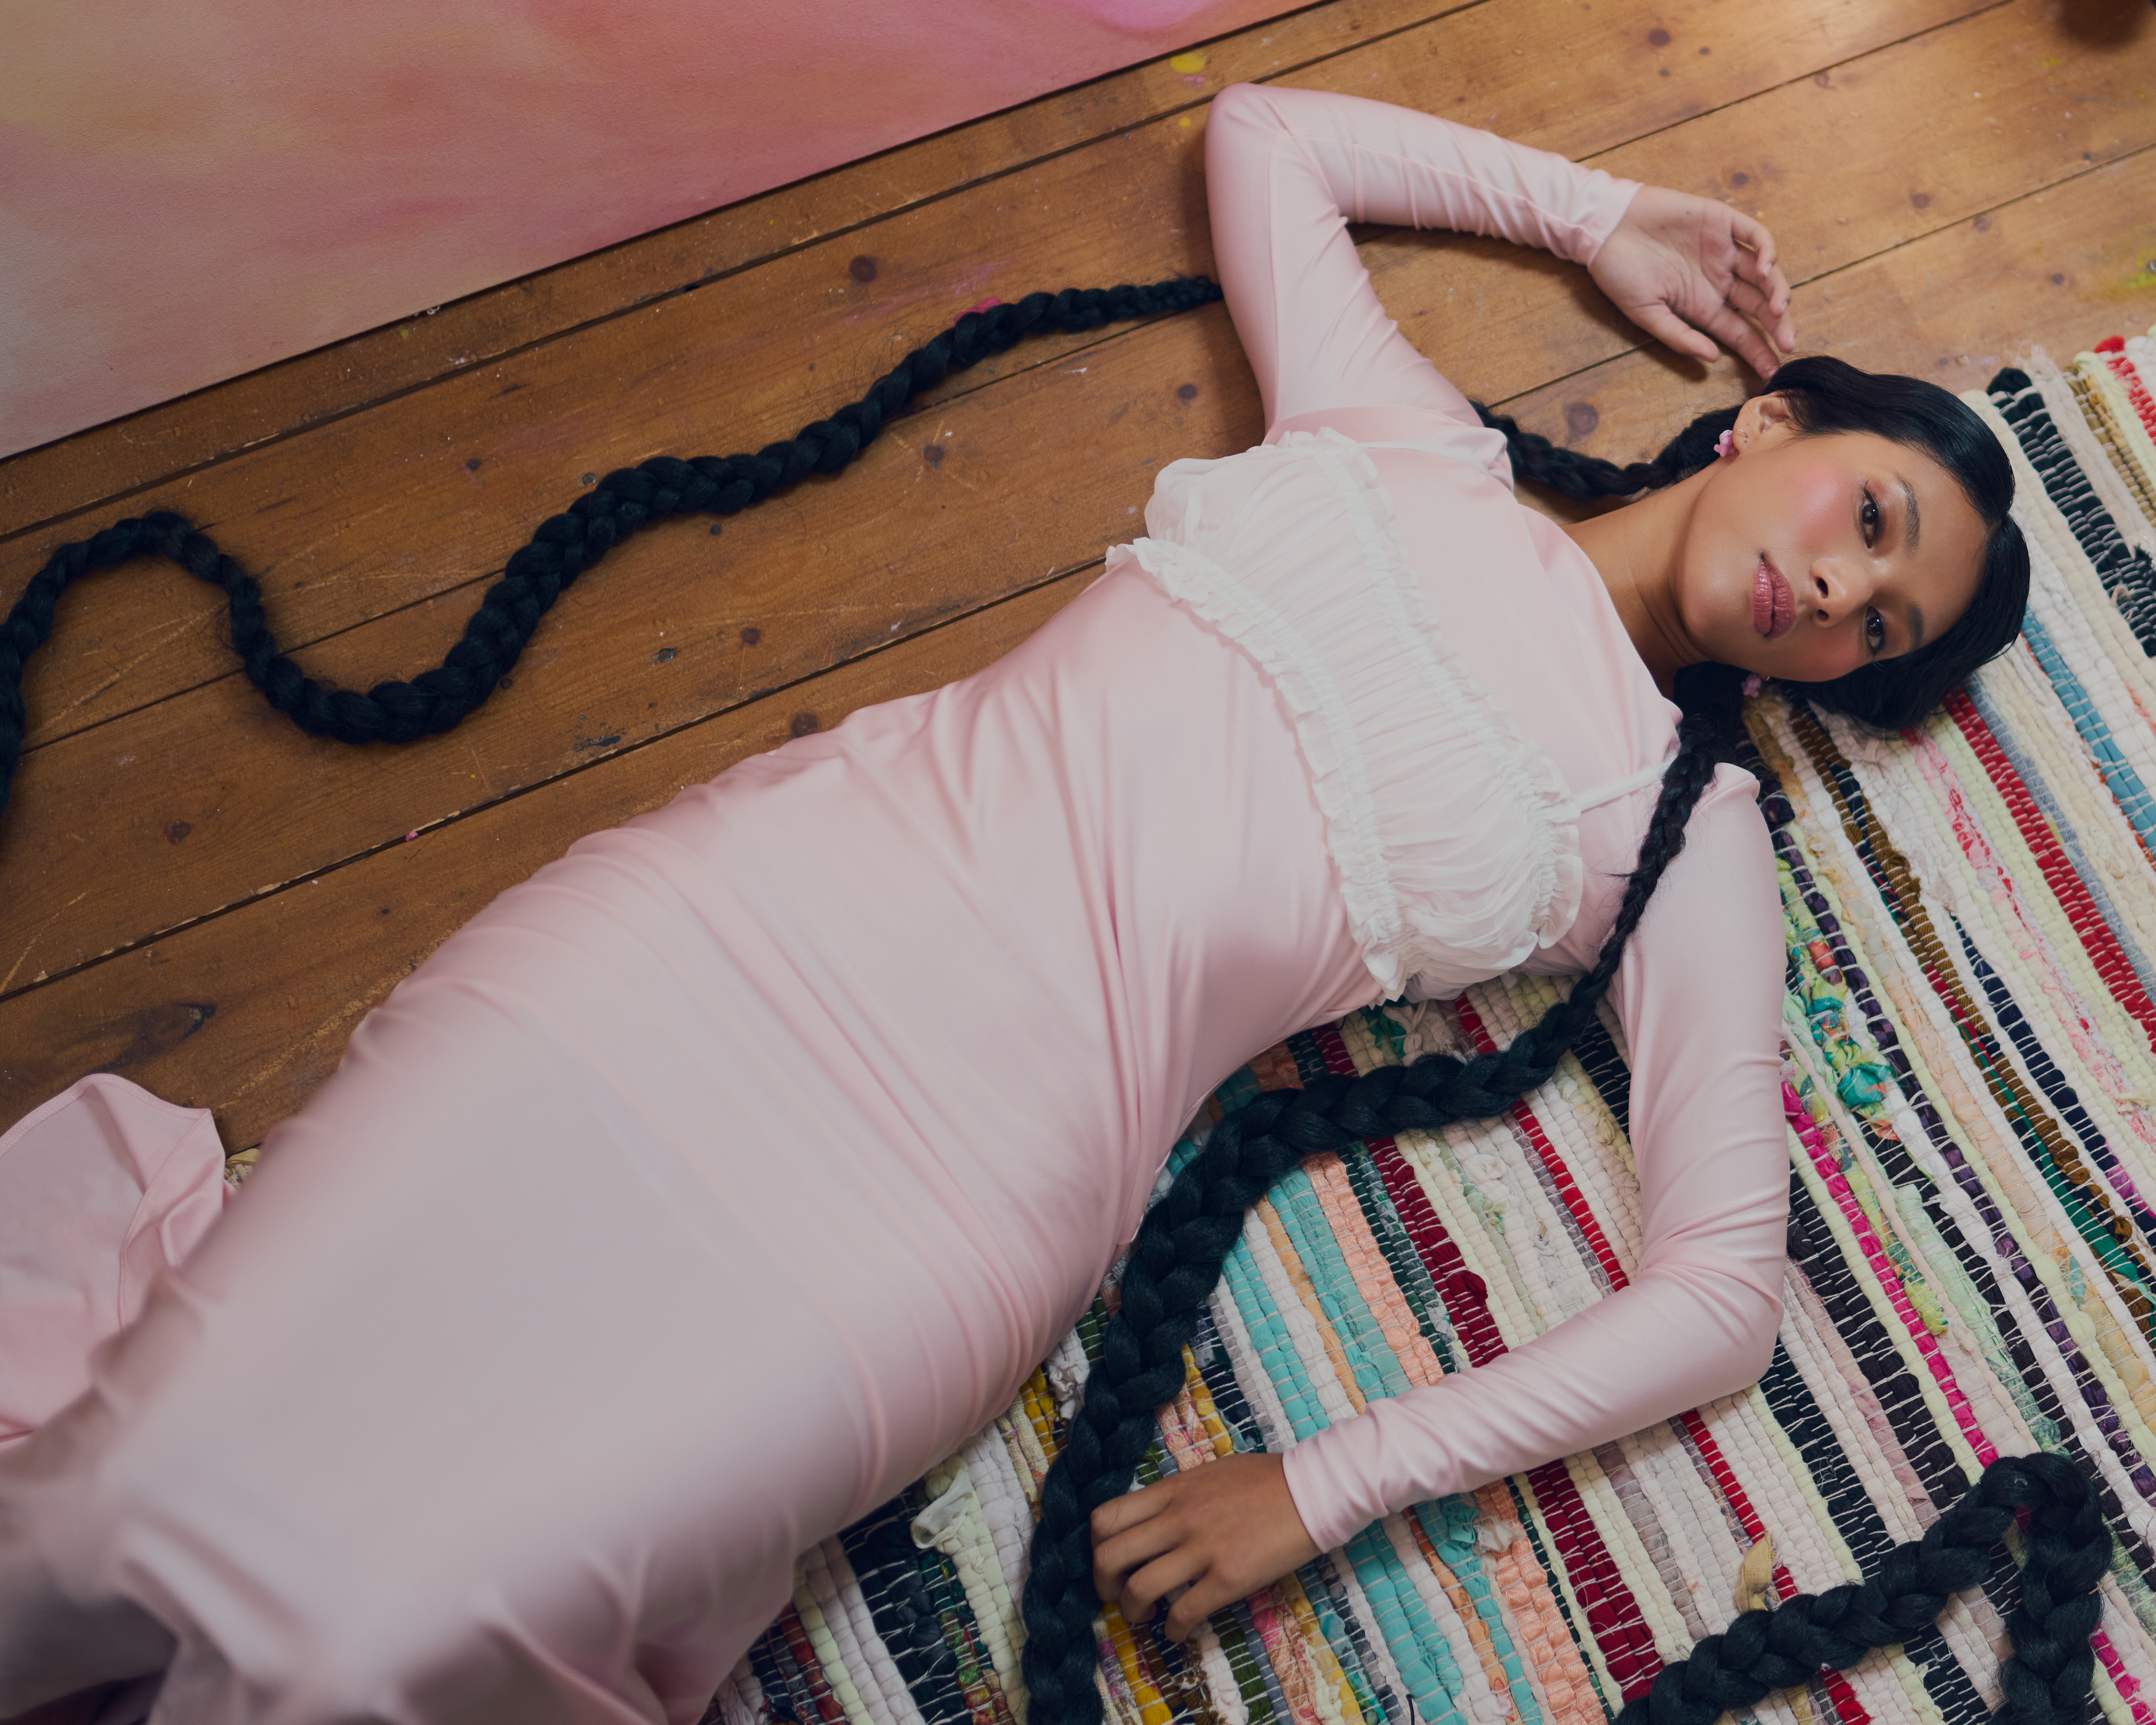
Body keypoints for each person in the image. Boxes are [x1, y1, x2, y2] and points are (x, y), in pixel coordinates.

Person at [0, 79, 2027, 1725]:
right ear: (1778, 417)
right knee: (127, 1491)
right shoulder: (1397, 445)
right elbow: (1267, 135)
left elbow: (1718, 1300)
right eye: (1873, 517)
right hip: (716, 949)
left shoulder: (1677, 839)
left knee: (383, 1638)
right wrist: (1599, 218)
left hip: (939, 1210)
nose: (1843, 594)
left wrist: (1327, 1485)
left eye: (1883, 627)